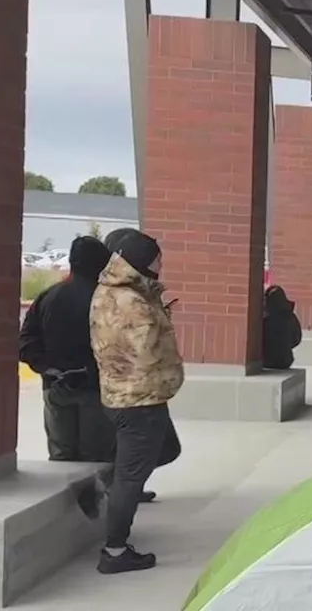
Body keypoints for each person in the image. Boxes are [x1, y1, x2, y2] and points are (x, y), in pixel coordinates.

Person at [82, 230, 185, 574]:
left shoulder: (114, 293)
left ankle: (108, 483)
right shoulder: (132, 303)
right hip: (138, 401)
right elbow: (146, 353)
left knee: (167, 449)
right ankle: (114, 551)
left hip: (125, 395)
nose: (160, 264)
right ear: (139, 260)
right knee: (131, 477)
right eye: (156, 258)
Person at [19, 236, 117, 462]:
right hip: (96, 388)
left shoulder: (48, 297)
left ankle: (67, 497)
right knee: (96, 457)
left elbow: (25, 342)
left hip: (56, 386)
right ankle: (95, 497)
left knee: (61, 457)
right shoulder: (108, 301)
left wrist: (46, 367)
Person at [261, 285, 302, 369]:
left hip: (266, 361)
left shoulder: (263, 319)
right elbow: (297, 339)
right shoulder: (290, 317)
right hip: (285, 360)